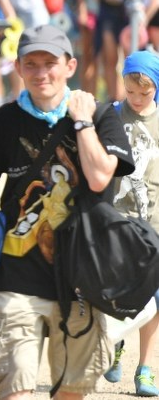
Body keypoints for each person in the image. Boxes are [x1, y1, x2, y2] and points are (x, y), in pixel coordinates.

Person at [0, 24, 135, 399]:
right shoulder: (5, 121)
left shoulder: (103, 115)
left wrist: (83, 121)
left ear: (70, 66)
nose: (41, 73)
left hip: (81, 279)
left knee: (71, 390)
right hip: (17, 275)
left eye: (50, 63)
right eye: (31, 64)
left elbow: (101, 177)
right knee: (15, 384)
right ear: (20, 68)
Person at [102, 51, 159, 396]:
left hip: (153, 224)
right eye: (131, 92)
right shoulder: (111, 116)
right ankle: (115, 344)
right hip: (114, 224)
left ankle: (146, 369)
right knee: (115, 292)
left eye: (145, 93)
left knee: (153, 299)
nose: (136, 100)